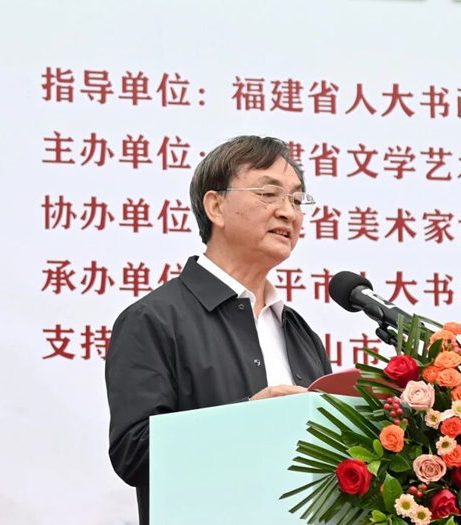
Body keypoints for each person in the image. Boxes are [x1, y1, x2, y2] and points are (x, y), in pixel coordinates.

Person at [105, 135, 332, 525]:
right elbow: (134, 453)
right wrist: (247, 421)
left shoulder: (299, 332)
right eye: (269, 194)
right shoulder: (154, 319)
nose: (288, 213)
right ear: (216, 207)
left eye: (297, 200)